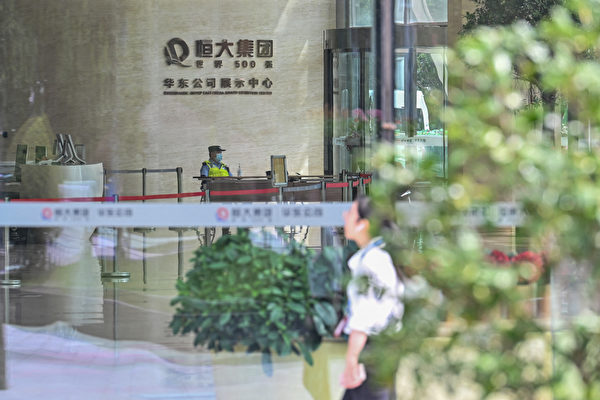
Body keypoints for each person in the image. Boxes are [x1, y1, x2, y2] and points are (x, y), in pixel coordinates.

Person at [339, 195, 404, 400]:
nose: (344, 216)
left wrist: (352, 360)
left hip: (372, 351)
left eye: (350, 213)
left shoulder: (373, 261)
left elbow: (365, 318)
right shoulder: (374, 257)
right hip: (380, 351)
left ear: (363, 225)